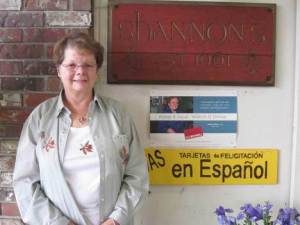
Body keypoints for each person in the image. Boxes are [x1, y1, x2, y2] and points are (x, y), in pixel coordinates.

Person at [13, 32, 149, 225]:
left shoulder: (118, 115)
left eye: (88, 65)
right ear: (59, 70)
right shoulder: (40, 118)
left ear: (97, 71)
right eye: (71, 65)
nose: (80, 71)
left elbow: (138, 175)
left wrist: (116, 220)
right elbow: (25, 183)